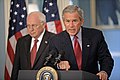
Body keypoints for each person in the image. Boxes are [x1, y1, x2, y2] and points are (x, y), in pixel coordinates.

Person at [49, 5, 114, 80]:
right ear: (63, 22)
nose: (71, 25)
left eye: (74, 21)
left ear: (82, 21)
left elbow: (106, 58)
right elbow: (49, 64)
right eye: (68, 21)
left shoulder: (95, 36)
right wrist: (58, 65)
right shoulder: (56, 40)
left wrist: (104, 71)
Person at [11, 11, 55, 80]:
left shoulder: (54, 40)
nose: (31, 29)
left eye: (34, 25)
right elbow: (16, 69)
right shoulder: (21, 42)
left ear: (43, 25)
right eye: (28, 26)